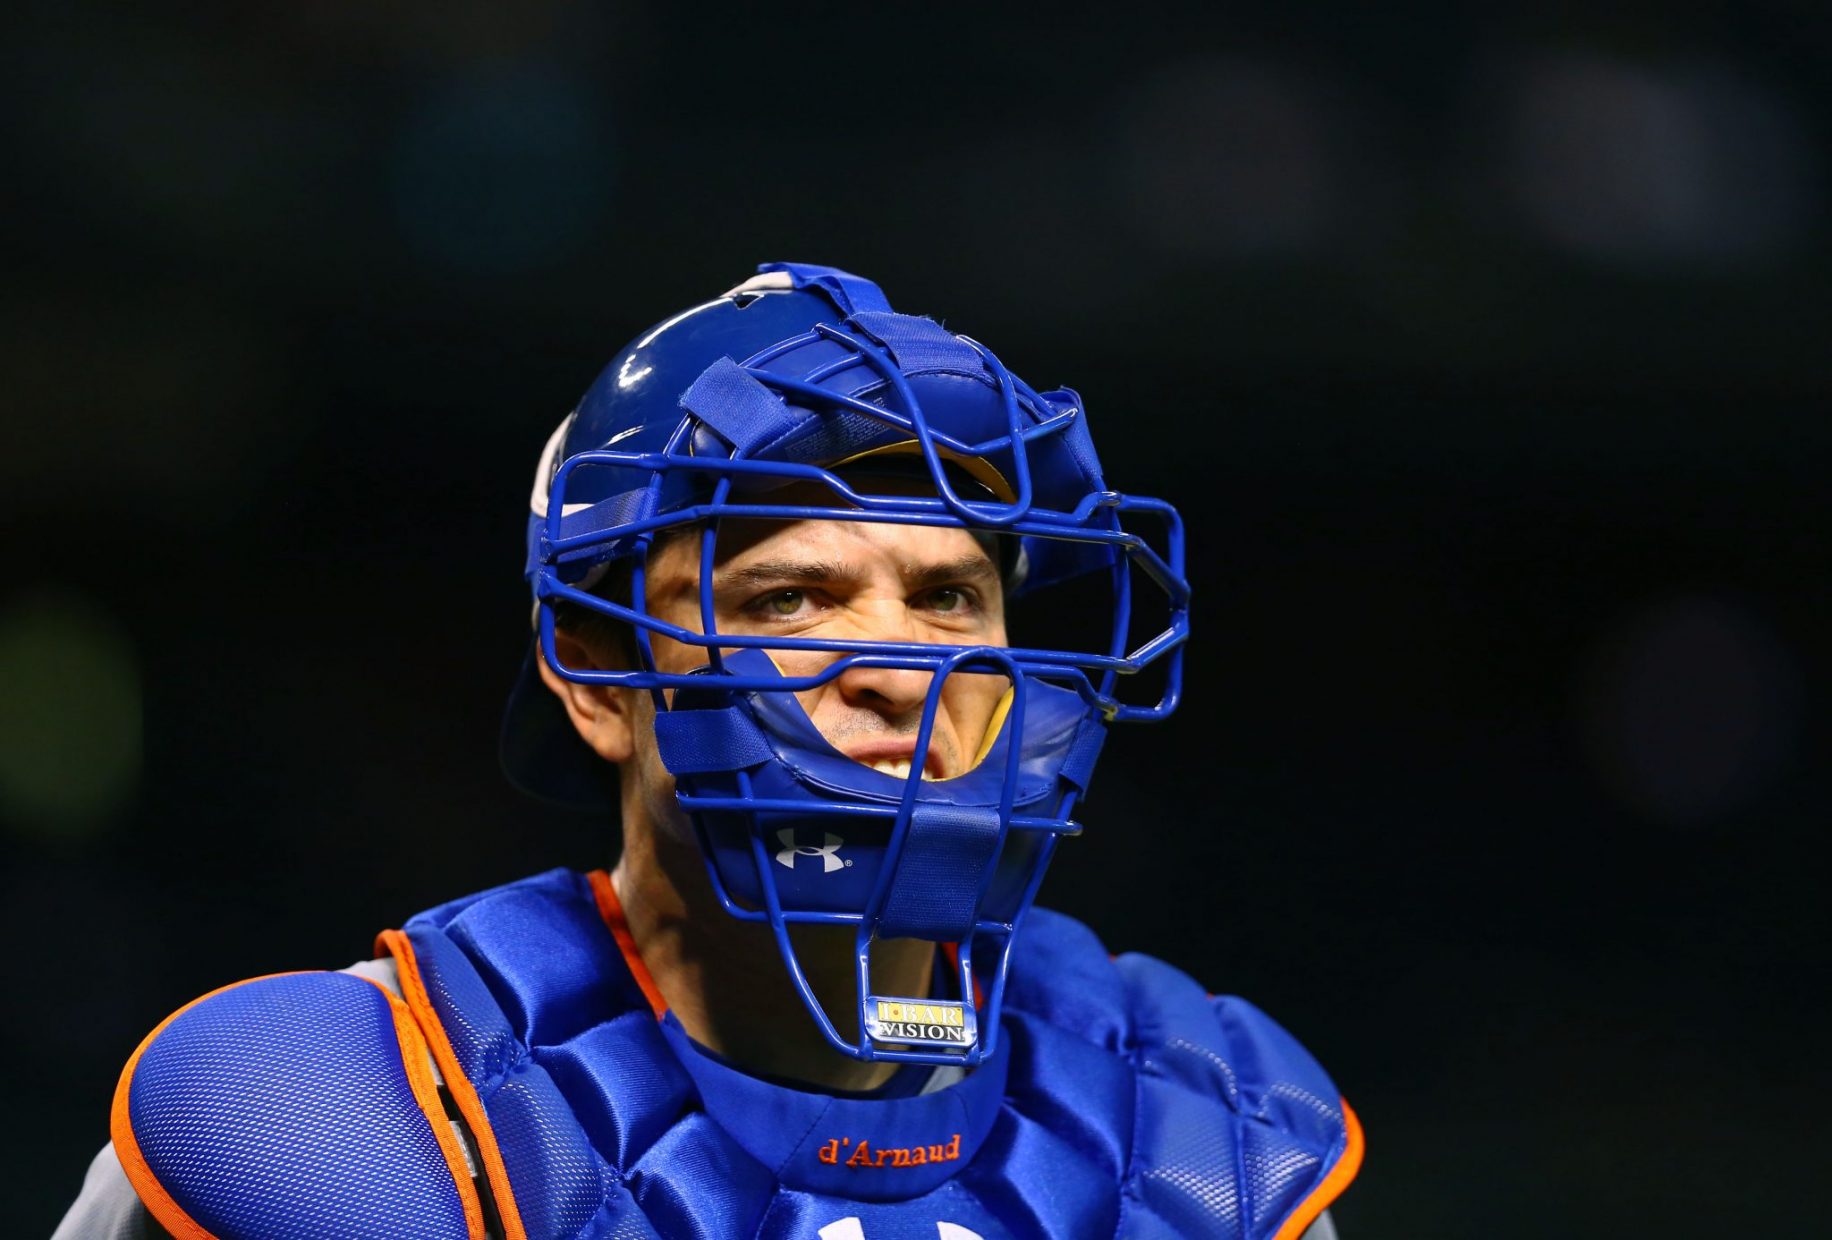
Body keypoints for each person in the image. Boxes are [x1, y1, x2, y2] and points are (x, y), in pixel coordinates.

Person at [59, 264, 1362, 1239]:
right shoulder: (361, 1121)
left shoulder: (1215, 1145)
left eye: (953, 597)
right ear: (595, 678)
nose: (899, 666)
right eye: (790, 597)